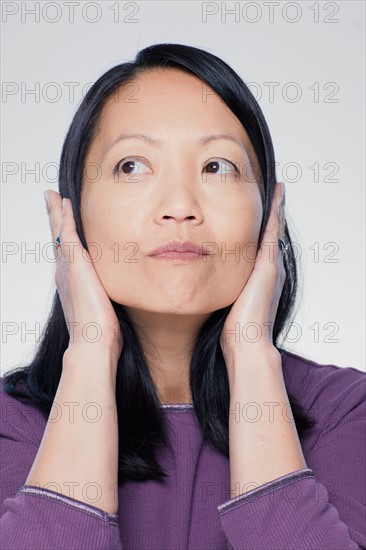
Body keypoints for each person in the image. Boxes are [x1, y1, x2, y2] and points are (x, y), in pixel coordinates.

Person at [0, 43, 365, 550]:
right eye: (131, 166)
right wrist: (88, 351)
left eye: (217, 167)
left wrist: (252, 353)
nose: (179, 206)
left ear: (270, 210)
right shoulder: (10, 424)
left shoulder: (345, 411)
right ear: (70, 213)